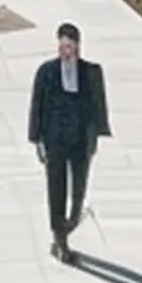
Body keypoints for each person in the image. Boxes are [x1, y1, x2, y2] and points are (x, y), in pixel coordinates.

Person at [28, 20, 110, 264]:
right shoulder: (47, 72)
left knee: (78, 192)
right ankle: (60, 240)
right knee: (57, 190)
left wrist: (95, 135)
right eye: (62, 46)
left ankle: (70, 222)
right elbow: (37, 107)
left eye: (69, 47)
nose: (65, 51)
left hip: (80, 142)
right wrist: (37, 140)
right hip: (55, 141)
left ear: (77, 47)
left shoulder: (92, 73)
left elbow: (98, 105)